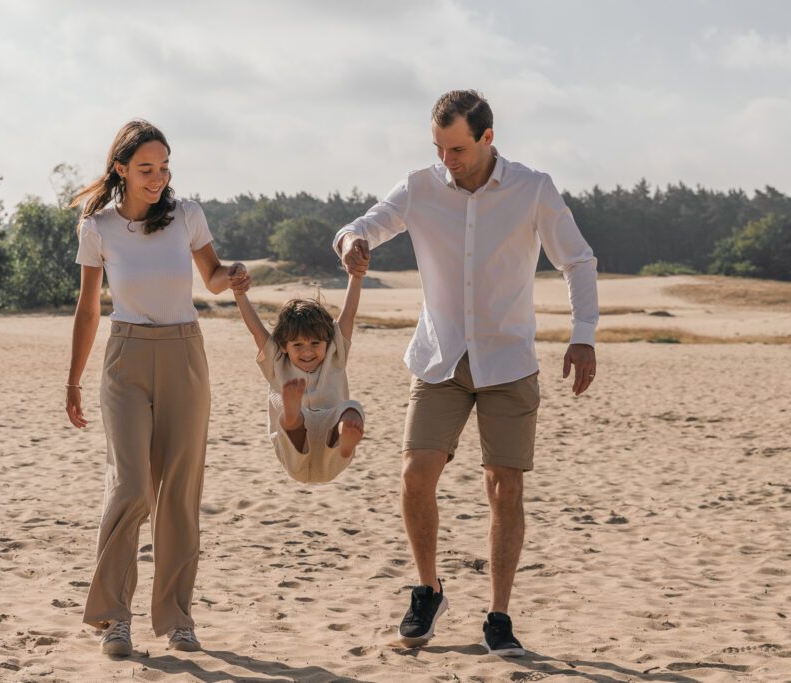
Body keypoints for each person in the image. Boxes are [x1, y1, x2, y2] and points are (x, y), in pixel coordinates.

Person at [334, 91, 599, 656]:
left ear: (487, 137)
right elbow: (365, 225)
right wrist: (352, 243)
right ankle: (427, 590)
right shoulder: (421, 186)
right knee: (414, 475)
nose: (446, 159)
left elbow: (577, 259)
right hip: (440, 357)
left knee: (504, 488)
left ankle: (498, 615)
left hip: (508, 360)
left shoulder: (533, 188)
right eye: (438, 147)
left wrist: (583, 335)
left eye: (456, 148)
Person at [65, 119, 249, 657]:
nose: (158, 177)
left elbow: (211, 276)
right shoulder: (97, 226)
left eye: (164, 167)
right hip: (125, 359)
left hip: (185, 354)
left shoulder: (187, 216)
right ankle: (114, 618)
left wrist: (232, 274)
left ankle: (177, 619)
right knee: (131, 487)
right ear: (120, 169)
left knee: (180, 493)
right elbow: (87, 306)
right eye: (146, 168)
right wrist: (73, 377)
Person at [232, 270, 366, 484]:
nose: (307, 352)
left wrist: (356, 276)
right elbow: (256, 331)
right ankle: (293, 416)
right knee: (291, 417)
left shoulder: (336, 356)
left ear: (327, 342)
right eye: (298, 345)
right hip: (294, 452)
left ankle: (344, 439)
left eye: (315, 343)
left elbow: (348, 314)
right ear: (284, 346)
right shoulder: (276, 363)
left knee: (351, 409)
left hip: (332, 457)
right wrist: (239, 294)